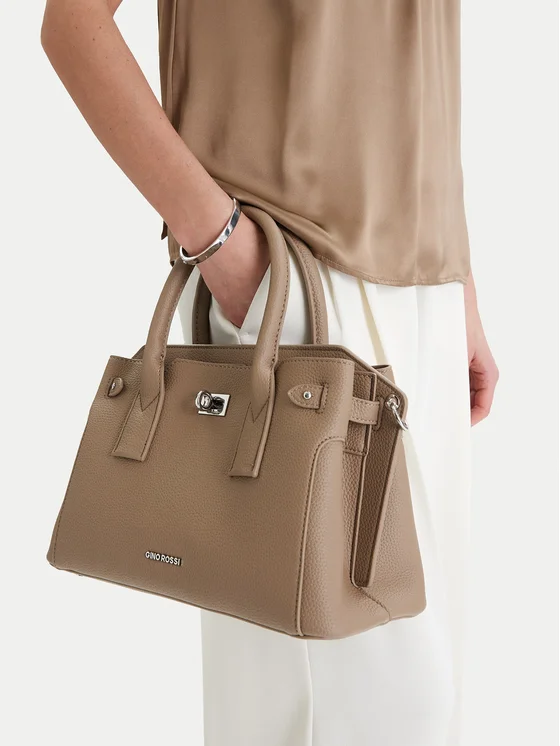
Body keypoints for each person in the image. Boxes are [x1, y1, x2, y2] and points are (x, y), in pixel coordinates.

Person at [40, 1, 499, 744]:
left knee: (417, 699)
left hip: (422, 287)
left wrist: (457, 278)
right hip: (299, 286)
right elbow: (73, 24)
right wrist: (220, 241)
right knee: (360, 705)